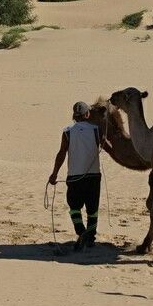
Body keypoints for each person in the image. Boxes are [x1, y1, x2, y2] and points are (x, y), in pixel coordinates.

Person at [47, 102, 103, 250]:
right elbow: (107, 147)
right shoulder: (96, 130)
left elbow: (61, 153)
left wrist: (54, 174)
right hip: (93, 176)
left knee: (74, 208)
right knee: (93, 209)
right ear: (87, 114)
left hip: (74, 177)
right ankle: (90, 237)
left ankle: (81, 231)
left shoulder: (68, 131)